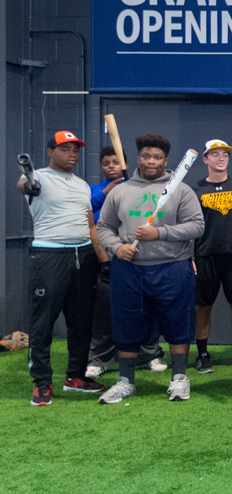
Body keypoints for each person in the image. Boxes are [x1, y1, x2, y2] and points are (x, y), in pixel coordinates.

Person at [96, 134, 205, 404]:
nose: (151, 161)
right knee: (126, 327)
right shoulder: (121, 190)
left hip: (173, 268)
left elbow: (197, 226)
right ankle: (125, 381)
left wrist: (160, 233)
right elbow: (103, 227)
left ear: (165, 161)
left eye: (157, 157)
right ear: (138, 159)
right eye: (146, 156)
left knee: (179, 326)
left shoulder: (181, 189)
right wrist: (116, 248)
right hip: (129, 270)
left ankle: (179, 377)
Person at [19, 131, 106, 405]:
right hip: (49, 256)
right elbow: (22, 183)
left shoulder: (81, 184)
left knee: (81, 322)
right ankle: (42, 383)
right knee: (43, 322)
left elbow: (91, 225)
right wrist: (27, 187)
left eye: (76, 149)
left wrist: (102, 258)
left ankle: (75, 377)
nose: (73, 154)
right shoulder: (38, 178)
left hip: (84, 256)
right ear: (50, 151)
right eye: (66, 148)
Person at [86, 148, 168, 377]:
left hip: (140, 259)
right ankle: (100, 358)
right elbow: (90, 221)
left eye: (115, 162)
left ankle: (150, 353)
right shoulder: (94, 191)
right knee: (104, 312)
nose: (111, 166)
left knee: (146, 308)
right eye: (105, 163)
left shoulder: (136, 189)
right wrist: (105, 192)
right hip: (108, 258)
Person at [192, 139, 232, 373]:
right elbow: (190, 227)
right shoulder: (196, 189)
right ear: (205, 159)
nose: (221, 158)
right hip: (205, 255)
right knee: (203, 307)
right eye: (215, 154)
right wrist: (190, 257)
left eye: (225, 154)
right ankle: (202, 354)